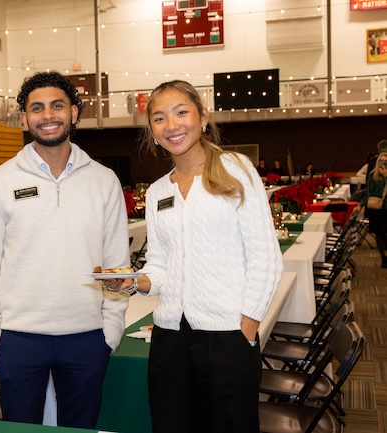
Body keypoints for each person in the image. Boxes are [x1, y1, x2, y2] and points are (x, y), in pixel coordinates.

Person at [100, 80, 283, 433]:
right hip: (169, 337)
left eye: (181, 112)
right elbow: (161, 265)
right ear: (152, 131)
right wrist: (136, 281)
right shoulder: (157, 192)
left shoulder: (236, 169)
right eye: (159, 118)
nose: (172, 125)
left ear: (203, 117)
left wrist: (247, 328)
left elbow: (265, 257)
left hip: (227, 334)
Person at [0, 71, 129, 428]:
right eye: (37, 108)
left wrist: (110, 332)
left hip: (88, 338)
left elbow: (117, 265)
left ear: (74, 112)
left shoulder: (103, 181)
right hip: (17, 340)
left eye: (57, 105)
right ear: (24, 118)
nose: (48, 115)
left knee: (80, 429)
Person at [355, 152, 387, 268]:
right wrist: (360, 205)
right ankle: (383, 258)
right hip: (376, 209)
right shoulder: (373, 175)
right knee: (379, 234)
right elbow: (368, 193)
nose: (383, 164)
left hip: (386, 208)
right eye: (381, 161)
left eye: (385, 162)